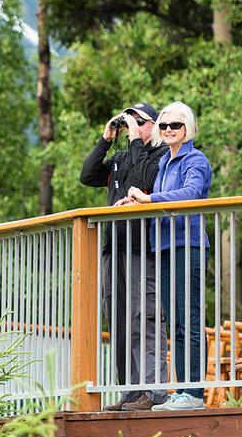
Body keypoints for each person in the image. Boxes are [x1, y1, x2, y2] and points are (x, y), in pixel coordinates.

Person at [120, 101, 212, 411]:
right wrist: (137, 204)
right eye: (164, 126)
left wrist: (149, 198)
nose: (169, 130)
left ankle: (194, 392)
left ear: (188, 129)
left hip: (188, 245)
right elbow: (157, 200)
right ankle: (183, 390)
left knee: (190, 320)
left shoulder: (195, 160)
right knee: (176, 322)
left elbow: (191, 193)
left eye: (176, 125)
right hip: (164, 247)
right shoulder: (163, 164)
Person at [79, 102, 167, 411]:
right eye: (129, 120)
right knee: (117, 321)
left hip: (141, 249)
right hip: (112, 249)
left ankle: (153, 392)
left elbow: (143, 179)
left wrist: (134, 140)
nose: (133, 125)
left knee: (143, 318)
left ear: (153, 126)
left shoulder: (158, 157)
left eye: (139, 121)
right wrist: (106, 138)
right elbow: (87, 175)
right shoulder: (118, 159)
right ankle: (130, 393)